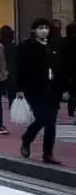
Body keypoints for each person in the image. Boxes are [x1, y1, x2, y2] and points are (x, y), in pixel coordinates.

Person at [19, 18, 63, 164]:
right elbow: (19, 68)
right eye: (40, 28)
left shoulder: (54, 45)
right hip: (34, 89)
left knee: (51, 122)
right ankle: (28, 138)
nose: (44, 31)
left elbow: (61, 68)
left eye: (46, 28)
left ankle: (48, 153)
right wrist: (19, 88)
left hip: (53, 89)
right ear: (34, 30)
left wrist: (64, 88)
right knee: (43, 118)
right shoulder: (26, 46)